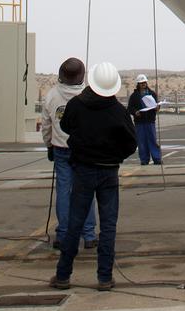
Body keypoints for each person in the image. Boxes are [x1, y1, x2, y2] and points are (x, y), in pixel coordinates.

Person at [50, 62, 137, 292]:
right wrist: (114, 155)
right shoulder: (118, 111)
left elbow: (66, 126)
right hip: (109, 172)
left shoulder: (76, 105)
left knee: (74, 223)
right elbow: (131, 143)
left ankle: (62, 275)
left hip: (84, 170)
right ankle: (105, 277)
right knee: (108, 226)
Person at [41, 57, 97, 251]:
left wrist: (49, 145)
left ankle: (63, 234)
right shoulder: (88, 94)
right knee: (86, 191)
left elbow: (46, 125)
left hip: (61, 149)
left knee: (64, 192)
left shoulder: (51, 96)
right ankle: (89, 235)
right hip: (84, 149)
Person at [128, 74, 162, 166]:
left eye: (144, 82)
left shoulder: (152, 94)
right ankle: (144, 159)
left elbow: (157, 105)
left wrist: (157, 107)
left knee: (152, 140)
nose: (143, 84)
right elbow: (130, 108)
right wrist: (135, 112)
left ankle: (157, 158)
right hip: (139, 122)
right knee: (142, 142)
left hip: (150, 121)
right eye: (141, 83)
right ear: (138, 84)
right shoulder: (134, 96)